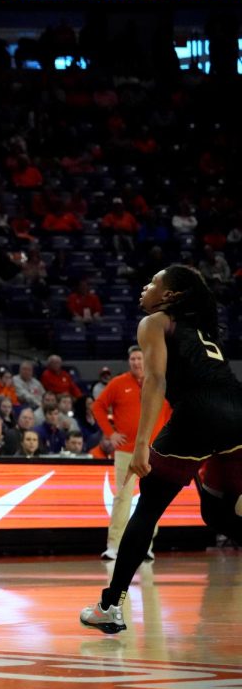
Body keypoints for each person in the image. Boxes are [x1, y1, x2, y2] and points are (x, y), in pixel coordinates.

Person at [81, 266, 242, 634]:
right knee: (217, 515)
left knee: (148, 508)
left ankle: (110, 607)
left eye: (153, 282)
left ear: (169, 296)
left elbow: (155, 380)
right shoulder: (200, 329)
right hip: (237, 413)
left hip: (199, 414)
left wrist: (141, 446)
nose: (145, 287)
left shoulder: (155, 322)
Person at [91, 345, 172, 561]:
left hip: (154, 452)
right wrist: (110, 434)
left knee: (152, 499)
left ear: (147, 360)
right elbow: (98, 406)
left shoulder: (160, 382)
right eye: (133, 359)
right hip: (126, 451)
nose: (136, 362)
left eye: (139, 358)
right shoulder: (118, 383)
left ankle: (145, 545)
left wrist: (167, 440)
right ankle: (114, 546)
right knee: (122, 498)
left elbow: (172, 412)